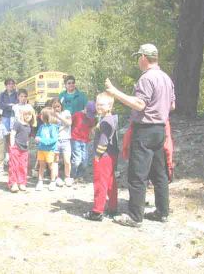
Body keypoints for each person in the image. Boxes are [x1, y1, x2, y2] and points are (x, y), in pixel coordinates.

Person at [105, 43, 175, 227]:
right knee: (159, 173)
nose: (138, 60)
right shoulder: (166, 78)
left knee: (137, 174)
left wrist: (115, 92)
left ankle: (135, 216)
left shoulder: (146, 78)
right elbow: (172, 106)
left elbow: (139, 104)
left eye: (138, 56)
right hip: (160, 130)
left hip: (144, 130)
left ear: (144, 57)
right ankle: (162, 212)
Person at [83, 93, 118, 221]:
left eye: (102, 104)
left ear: (110, 106)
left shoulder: (105, 122)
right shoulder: (111, 118)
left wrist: (97, 155)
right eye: (97, 104)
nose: (98, 106)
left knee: (100, 183)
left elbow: (103, 141)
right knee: (110, 182)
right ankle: (113, 208)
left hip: (104, 156)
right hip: (112, 155)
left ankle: (97, 211)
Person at [8, 105, 35, 192]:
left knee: (23, 166)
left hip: (24, 150)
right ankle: (14, 183)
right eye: (25, 114)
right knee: (14, 166)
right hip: (16, 148)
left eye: (29, 114)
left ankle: (22, 182)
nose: (27, 116)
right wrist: (12, 146)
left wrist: (27, 146)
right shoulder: (17, 123)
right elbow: (12, 134)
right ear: (22, 114)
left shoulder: (29, 126)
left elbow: (27, 137)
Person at [50, 98, 74, 187]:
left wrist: (59, 117)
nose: (57, 108)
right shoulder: (51, 115)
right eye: (54, 107)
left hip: (66, 140)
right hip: (56, 141)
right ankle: (57, 178)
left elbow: (69, 123)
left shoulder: (66, 112)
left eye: (58, 106)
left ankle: (67, 177)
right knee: (55, 161)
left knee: (67, 161)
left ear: (61, 106)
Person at [70, 101, 96, 179]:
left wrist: (93, 134)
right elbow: (70, 124)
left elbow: (91, 127)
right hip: (75, 139)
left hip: (85, 141)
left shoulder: (92, 118)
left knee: (85, 160)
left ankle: (80, 175)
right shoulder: (77, 115)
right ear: (85, 108)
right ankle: (73, 175)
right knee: (77, 160)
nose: (89, 116)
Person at [35, 107, 59, 191]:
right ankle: (40, 181)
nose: (40, 116)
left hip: (50, 150)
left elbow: (54, 139)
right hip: (41, 149)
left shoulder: (53, 127)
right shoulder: (41, 126)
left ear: (46, 116)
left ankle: (53, 182)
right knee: (41, 166)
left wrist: (42, 140)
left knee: (51, 166)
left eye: (42, 114)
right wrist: (37, 138)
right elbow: (37, 134)